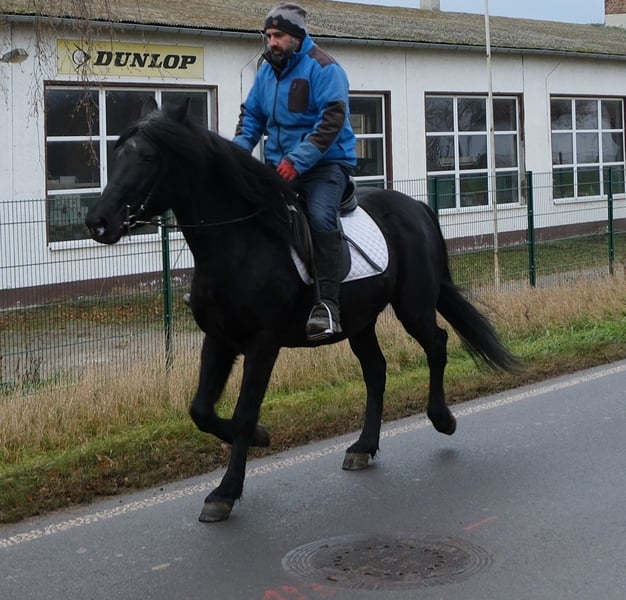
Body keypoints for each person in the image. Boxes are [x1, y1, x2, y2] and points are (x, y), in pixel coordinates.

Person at [233, 2, 357, 341]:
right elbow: (251, 118)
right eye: (268, 36)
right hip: (280, 166)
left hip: (327, 164)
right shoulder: (266, 72)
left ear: (297, 37)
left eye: (278, 36)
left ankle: (328, 307)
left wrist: (296, 162)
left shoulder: (325, 68)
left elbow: (331, 121)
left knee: (319, 216)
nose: (271, 42)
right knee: (245, 210)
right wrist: (236, 156)